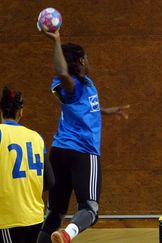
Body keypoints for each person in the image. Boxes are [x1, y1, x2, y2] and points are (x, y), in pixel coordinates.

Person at [37, 27, 130, 243]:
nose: (88, 62)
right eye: (86, 58)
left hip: (59, 152)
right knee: (90, 208)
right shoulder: (72, 85)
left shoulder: (84, 85)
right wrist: (56, 39)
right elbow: (62, 73)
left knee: (55, 213)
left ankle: (52, 235)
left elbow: (85, 108)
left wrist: (107, 111)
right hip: (83, 153)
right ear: (79, 61)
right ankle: (67, 234)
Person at [0, 86, 55, 243]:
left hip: (8, 218)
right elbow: (50, 181)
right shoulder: (36, 137)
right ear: (21, 111)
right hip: (35, 218)